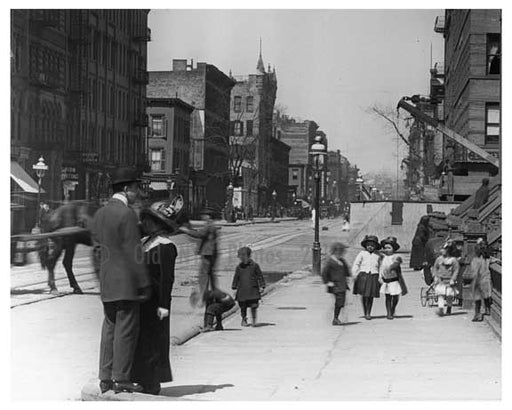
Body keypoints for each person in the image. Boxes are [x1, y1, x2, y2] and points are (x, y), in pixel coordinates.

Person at [91, 167, 151, 394]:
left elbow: (96, 252)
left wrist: (101, 279)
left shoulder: (100, 214)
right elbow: (134, 253)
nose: (137, 193)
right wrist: (144, 283)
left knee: (109, 328)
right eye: (136, 189)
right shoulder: (126, 215)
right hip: (126, 283)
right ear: (126, 189)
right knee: (126, 330)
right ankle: (121, 378)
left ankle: (105, 377)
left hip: (107, 282)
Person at [131, 200, 179, 395]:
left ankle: (152, 382)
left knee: (154, 343)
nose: (146, 223)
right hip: (144, 301)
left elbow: (167, 280)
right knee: (143, 341)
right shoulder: (147, 243)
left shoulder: (167, 246)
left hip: (157, 302)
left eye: (150, 220)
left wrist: (164, 305)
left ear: (160, 225)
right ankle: (140, 377)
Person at [180, 207, 219, 306]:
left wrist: (186, 230)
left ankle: (204, 298)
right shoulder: (211, 225)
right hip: (211, 254)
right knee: (210, 276)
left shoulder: (209, 225)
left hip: (207, 254)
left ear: (208, 216)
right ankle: (214, 296)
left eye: (204, 215)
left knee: (204, 277)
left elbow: (199, 234)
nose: (202, 217)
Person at [232, 246, 265, 327]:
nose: (242, 259)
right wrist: (234, 287)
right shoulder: (239, 267)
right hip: (242, 290)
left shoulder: (255, 266)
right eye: (240, 257)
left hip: (253, 289)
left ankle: (254, 320)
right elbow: (236, 277)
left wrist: (262, 286)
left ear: (249, 256)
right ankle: (244, 318)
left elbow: (260, 276)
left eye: (244, 257)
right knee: (243, 306)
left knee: (254, 305)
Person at [352, 235, 382, 320]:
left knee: (371, 295)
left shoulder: (378, 255)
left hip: (373, 276)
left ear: (375, 246)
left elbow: (381, 266)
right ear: (365, 245)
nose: (370, 247)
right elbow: (356, 264)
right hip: (363, 275)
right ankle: (365, 311)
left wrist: (381, 276)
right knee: (364, 295)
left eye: (372, 245)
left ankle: (369, 311)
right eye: (368, 245)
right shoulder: (362, 254)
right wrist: (355, 274)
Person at [322, 242, 351, 326]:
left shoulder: (342, 261)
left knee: (341, 301)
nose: (341, 254)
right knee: (339, 301)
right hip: (334, 285)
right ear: (335, 251)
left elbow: (346, 270)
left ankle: (336, 317)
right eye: (340, 252)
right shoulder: (330, 261)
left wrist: (348, 276)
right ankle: (335, 318)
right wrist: (327, 282)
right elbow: (324, 273)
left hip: (342, 284)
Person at [379, 237, 408, 320]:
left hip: (394, 280)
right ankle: (388, 312)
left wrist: (391, 267)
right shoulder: (382, 257)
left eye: (389, 248)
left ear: (393, 249)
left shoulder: (396, 257)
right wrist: (380, 276)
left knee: (395, 296)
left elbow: (396, 264)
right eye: (385, 248)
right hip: (386, 280)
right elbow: (380, 267)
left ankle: (393, 308)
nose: (387, 250)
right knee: (388, 297)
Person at [432, 241, 460, 317]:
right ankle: (440, 308)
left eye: (444, 250)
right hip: (441, 280)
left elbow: (456, 270)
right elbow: (435, 268)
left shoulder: (453, 260)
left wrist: (453, 279)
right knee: (440, 295)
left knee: (449, 295)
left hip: (449, 280)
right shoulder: (439, 259)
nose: (442, 251)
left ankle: (449, 306)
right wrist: (435, 276)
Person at [468, 239, 493, 322]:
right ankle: (486, 309)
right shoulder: (487, 259)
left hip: (479, 280)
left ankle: (478, 314)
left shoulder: (476, 260)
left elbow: (474, 272)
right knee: (485, 296)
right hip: (485, 279)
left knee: (477, 298)